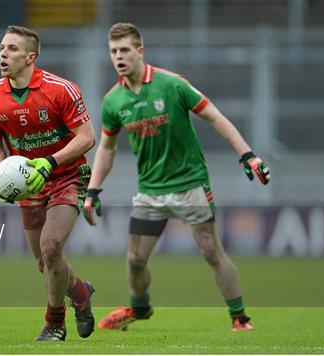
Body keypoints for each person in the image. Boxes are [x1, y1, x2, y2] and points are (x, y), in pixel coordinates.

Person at [83, 23, 270, 332]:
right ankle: (140, 309)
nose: (119, 56)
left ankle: (239, 317)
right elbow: (107, 148)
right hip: (150, 192)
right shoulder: (113, 100)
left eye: (125, 50)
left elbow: (214, 116)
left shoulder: (172, 85)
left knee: (211, 250)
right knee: (134, 259)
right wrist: (93, 190)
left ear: (140, 51)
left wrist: (248, 156)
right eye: (114, 51)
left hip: (190, 184)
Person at [0, 25, 96, 341]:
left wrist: (50, 162)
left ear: (31, 56)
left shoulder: (61, 90)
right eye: (2, 47)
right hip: (29, 185)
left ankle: (54, 323)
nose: (4, 54)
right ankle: (82, 293)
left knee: (51, 246)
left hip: (67, 176)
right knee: (45, 265)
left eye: (13, 49)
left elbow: (87, 138)